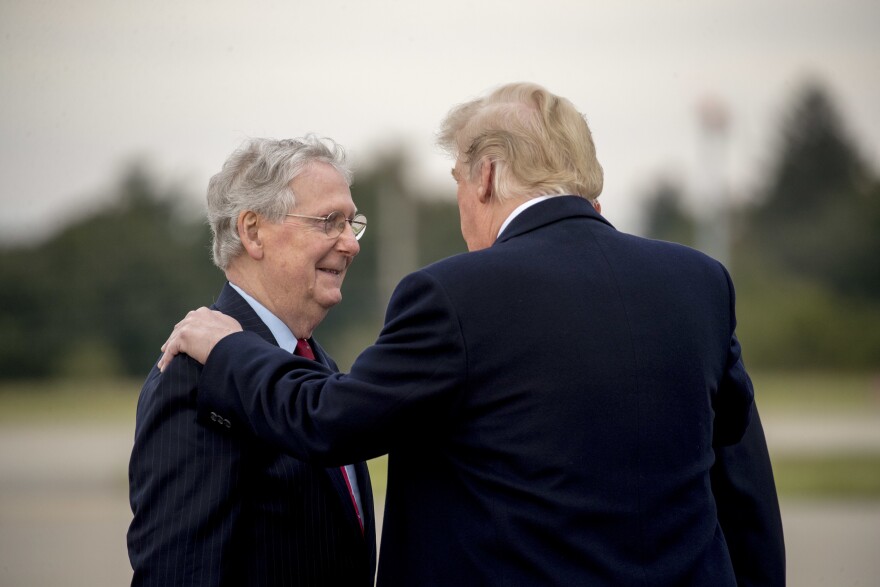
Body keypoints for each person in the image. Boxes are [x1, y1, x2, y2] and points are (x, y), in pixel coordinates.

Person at [157, 83, 785, 586]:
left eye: (456, 181)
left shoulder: (455, 295)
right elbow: (741, 476)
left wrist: (227, 347)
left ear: (485, 176)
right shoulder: (699, 283)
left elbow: (327, 421)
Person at [128, 136, 376, 586]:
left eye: (350, 223)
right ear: (253, 231)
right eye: (328, 222)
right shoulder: (194, 376)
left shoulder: (317, 364)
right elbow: (178, 574)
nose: (350, 244)